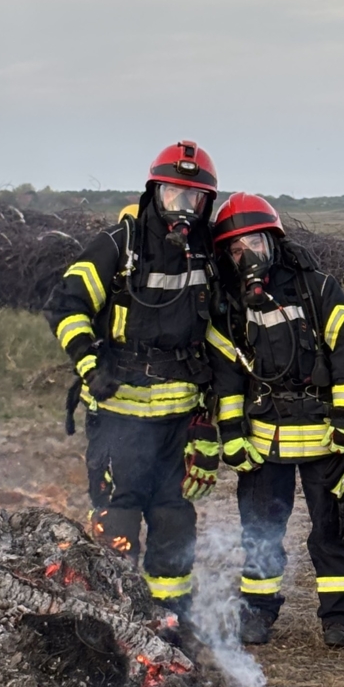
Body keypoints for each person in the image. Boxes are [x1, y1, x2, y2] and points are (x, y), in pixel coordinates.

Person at [50, 140, 220, 625]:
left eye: (194, 198)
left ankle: (169, 619)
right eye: (173, 194)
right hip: (118, 414)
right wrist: (89, 364)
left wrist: (211, 423)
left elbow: (224, 337)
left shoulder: (208, 254)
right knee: (118, 516)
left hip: (180, 418)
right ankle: (117, 616)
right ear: (153, 193)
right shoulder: (117, 246)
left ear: (206, 203)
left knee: (174, 517)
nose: (183, 207)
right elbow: (67, 305)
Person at [207, 194, 344, 649]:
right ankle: (257, 613)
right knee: (260, 532)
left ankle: (339, 618)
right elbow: (227, 378)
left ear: (274, 241)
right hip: (264, 441)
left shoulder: (317, 289)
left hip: (324, 438)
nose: (247, 256)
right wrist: (232, 435)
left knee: (332, 530)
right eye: (236, 250)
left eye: (254, 244)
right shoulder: (229, 309)